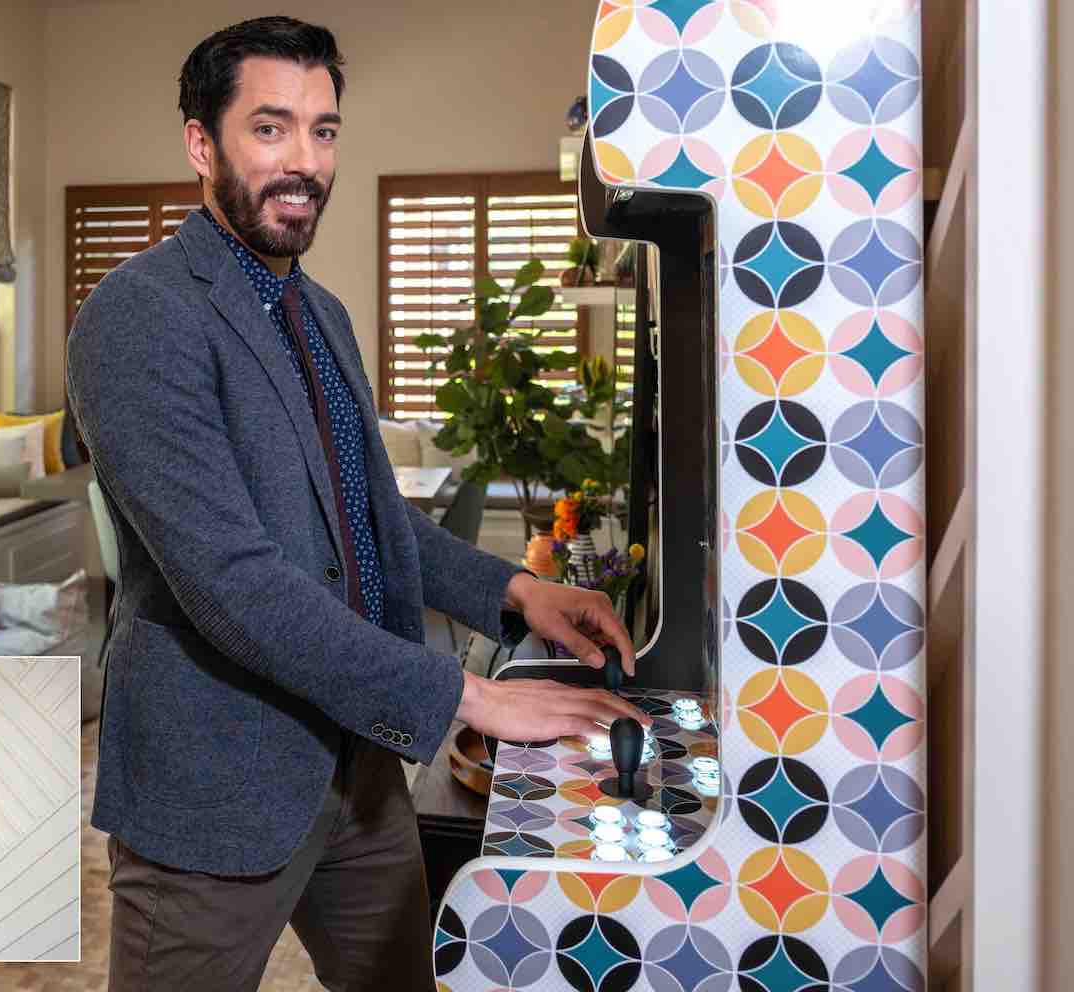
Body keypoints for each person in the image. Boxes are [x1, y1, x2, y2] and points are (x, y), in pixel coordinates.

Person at [67, 16, 651, 991]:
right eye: (270, 129)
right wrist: (470, 695)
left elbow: (371, 528)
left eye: (323, 130)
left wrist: (518, 592)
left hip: (359, 766)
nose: (303, 160)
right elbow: (232, 583)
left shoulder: (321, 313)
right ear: (201, 144)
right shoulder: (139, 316)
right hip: (217, 781)